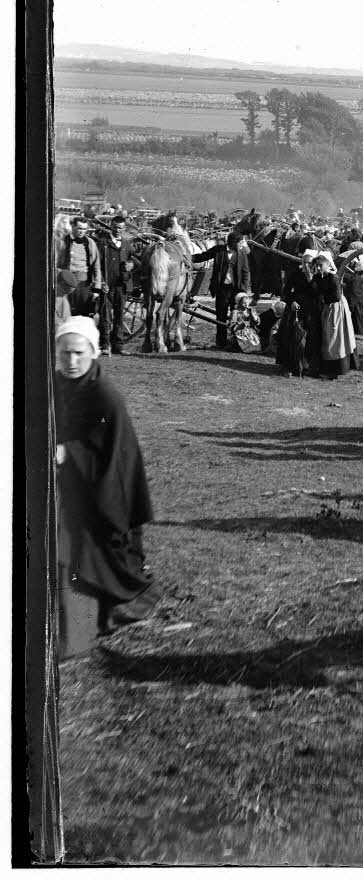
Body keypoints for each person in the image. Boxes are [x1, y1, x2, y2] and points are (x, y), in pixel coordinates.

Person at [53, 317, 159, 658]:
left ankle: (124, 605)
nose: (71, 362)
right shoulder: (60, 383)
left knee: (102, 552)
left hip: (108, 486)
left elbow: (110, 451)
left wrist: (68, 451)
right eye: (65, 353)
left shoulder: (104, 396)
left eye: (78, 354)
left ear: (93, 353)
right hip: (76, 483)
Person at [192, 231, 251, 349]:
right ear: (233, 242)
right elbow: (203, 256)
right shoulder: (218, 250)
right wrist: (188, 258)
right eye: (240, 242)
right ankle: (221, 343)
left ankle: (237, 342)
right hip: (221, 289)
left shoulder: (242, 253)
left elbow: (245, 272)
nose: (242, 245)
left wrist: (243, 292)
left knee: (238, 316)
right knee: (221, 316)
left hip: (236, 290)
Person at [277, 250, 321, 378]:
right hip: (295, 309)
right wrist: (291, 301)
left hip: (310, 311)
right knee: (291, 338)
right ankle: (288, 366)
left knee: (307, 340)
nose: (306, 266)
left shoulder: (317, 276)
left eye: (309, 263)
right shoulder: (295, 273)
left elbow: (318, 294)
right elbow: (286, 290)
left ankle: (305, 366)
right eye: (304, 263)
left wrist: (310, 279)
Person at [314, 252, 357, 378]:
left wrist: (321, 299)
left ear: (327, 265)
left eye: (320, 265)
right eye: (316, 265)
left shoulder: (333, 277)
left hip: (335, 308)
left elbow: (336, 296)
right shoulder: (320, 276)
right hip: (328, 307)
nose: (317, 268)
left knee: (334, 336)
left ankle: (335, 369)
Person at [96, 216, 135, 355]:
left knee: (119, 315)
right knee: (105, 315)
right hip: (107, 285)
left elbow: (132, 260)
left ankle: (118, 345)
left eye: (120, 228)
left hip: (121, 285)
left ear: (124, 229)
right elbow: (96, 266)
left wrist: (131, 265)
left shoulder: (126, 244)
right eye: (114, 227)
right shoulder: (102, 243)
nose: (117, 230)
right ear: (110, 227)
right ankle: (105, 344)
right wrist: (101, 282)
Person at [55, 217, 103, 316]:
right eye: (79, 228)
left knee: (83, 315)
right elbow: (55, 264)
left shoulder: (90, 243)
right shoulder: (62, 242)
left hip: (84, 284)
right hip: (66, 284)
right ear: (72, 226)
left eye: (84, 229)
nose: (82, 232)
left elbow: (96, 266)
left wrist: (96, 289)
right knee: (66, 313)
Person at [342, 253, 363, 336]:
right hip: (357, 300)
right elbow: (355, 291)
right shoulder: (357, 279)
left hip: (356, 299)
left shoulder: (356, 278)